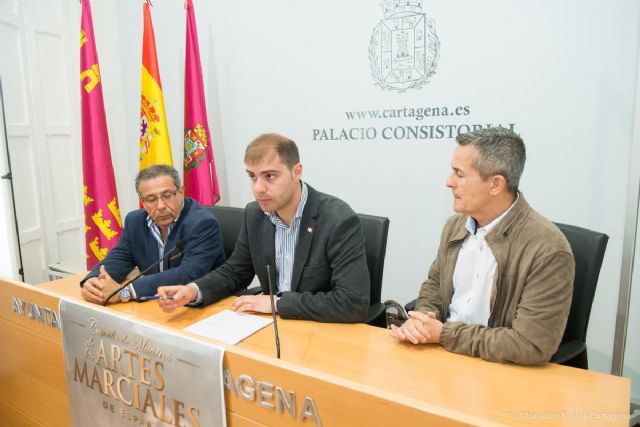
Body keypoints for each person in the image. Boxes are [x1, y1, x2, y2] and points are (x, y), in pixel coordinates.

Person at [390, 127, 574, 365]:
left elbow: (530, 345)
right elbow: (435, 284)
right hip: (444, 355)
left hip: (500, 368)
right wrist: (422, 319)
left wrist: (444, 334)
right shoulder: (455, 225)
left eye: (459, 174)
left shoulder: (547, 248)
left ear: (495, 185)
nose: (449, 182)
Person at [157, 133, 370, 322]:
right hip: (271, 327)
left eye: (270, 176)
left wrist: (277, 304)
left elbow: (352, 302)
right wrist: (194, 290)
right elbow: (235, 272)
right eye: (252, 176)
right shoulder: (255, 214)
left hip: (320, 331)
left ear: (296, 172)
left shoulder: (337, 219)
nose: (258, 188)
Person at [80, 164, 225, 304]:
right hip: (155, 304)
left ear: (181, 192)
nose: (161, 206)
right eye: (151, 199)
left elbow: (188, 274)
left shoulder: (202, 224)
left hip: (199, 305)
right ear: (142, 201)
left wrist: (126, 292)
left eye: (167, 195)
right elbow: (119, 258)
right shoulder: (135, 221)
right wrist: (93, 282)